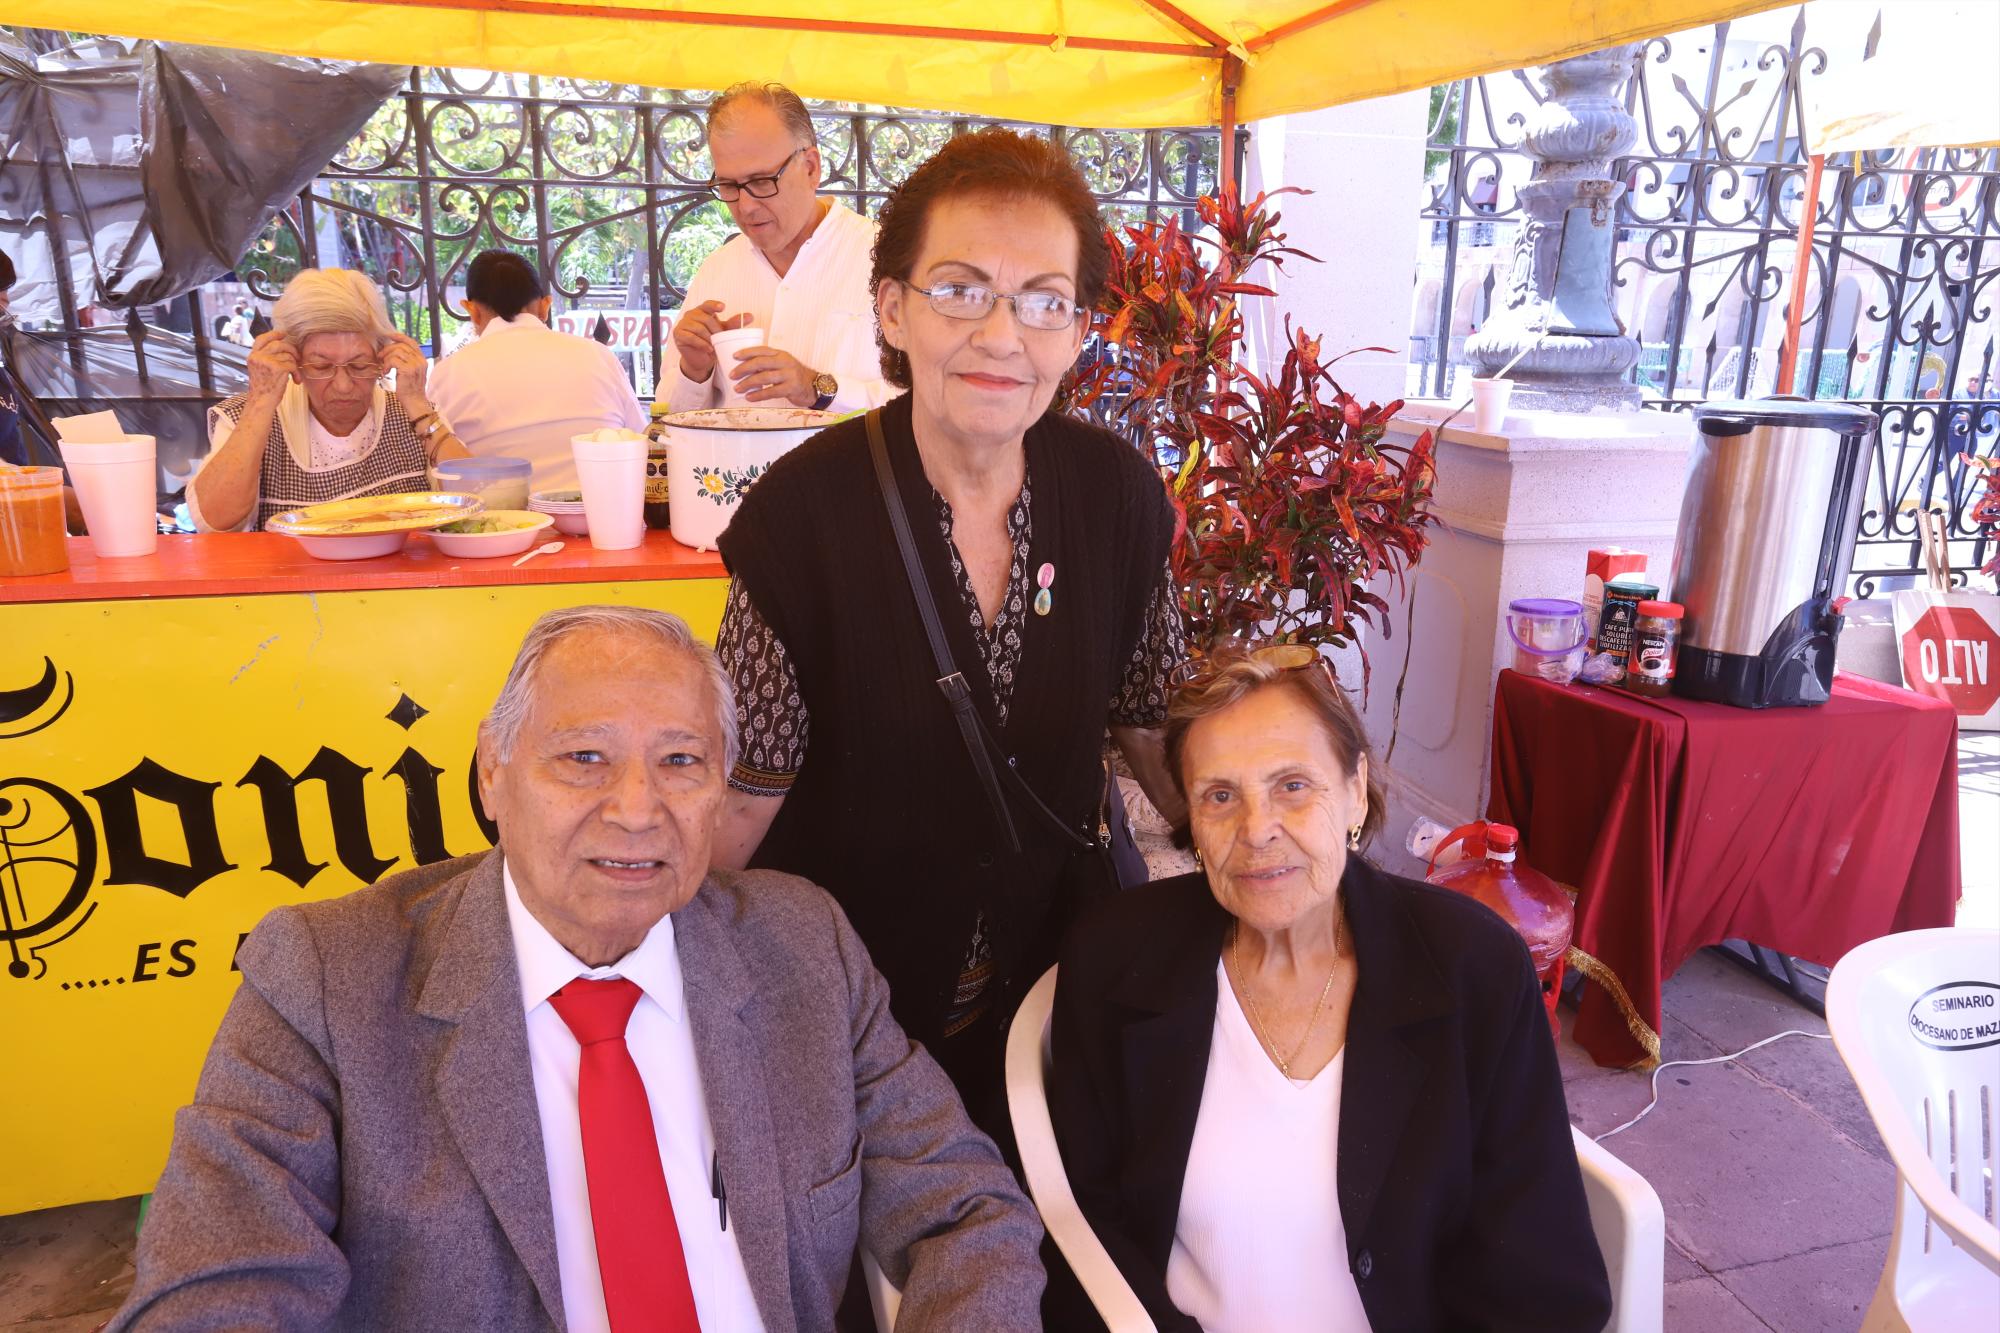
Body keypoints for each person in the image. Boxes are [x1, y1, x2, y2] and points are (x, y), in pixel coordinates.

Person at [107, 605, 1046, 1331]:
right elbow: (216, 1288)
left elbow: (967, 1209)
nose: (637, 808)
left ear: (723, 785)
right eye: (584, 757)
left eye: (681, 760)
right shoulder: (326, 974)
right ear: (492, 774)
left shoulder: (800, 942)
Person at [713, 128, 1188, 1137]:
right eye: (961, 289)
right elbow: (742, 798)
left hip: (1051, 987)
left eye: (1042, 301)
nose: (1002, 335)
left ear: (1076, 328)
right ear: (892, 306)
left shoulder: (1115, 497)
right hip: (850, 1009)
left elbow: (1151, 727)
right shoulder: (801, 516)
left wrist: (1266, 837)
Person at [1047, 646, 1612, 1332]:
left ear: (1353, 789)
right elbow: (1083, 1222)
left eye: (1292, 785)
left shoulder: (1472, 970)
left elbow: (1543, 1282)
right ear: (1191, 821)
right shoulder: (1115, 958)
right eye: (1220, 795)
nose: (1257, 830)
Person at [658, 82, 897, 416]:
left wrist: (816, 386)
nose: (745, 206)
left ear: (811, 167)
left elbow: (928, 407)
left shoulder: (887, 259)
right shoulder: (718, 271)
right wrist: (694, 371)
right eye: (728, 186)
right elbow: (669, 421)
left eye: (761, 182)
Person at [185, 268, 470, 532]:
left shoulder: (413, 415)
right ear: (294, 363)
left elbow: (479, 503)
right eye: (321, 367)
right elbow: (213, 523)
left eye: (359, 366)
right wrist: (260, 400)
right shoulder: (247, 418)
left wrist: (418, 406)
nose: (344, 386)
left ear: (381, 357)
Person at [427, 249, 647, 489]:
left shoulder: (448, 373)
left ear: (473, 311)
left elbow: (439, 465)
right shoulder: (598, 355)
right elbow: (642, 438)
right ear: (545, 306)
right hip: (603, 517)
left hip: (507, 523)